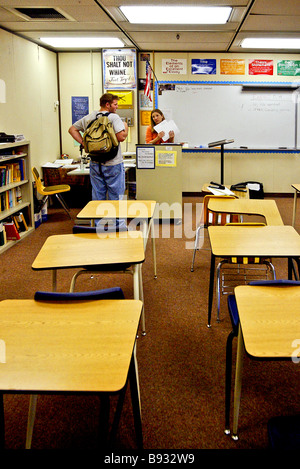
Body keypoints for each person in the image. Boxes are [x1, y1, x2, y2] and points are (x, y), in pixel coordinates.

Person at [68, 93, 128, 229]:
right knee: (116, 197)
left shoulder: (89, 117)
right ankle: (118, 227)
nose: (117, 107)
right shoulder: (114, 117)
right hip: (113, 163)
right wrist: (126, 128)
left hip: (95, 163)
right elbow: (121, 137)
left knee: (97, 197)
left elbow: (72, 129)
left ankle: (98, 227)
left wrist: (83, 143)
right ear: (107, 104)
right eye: (115, 104)